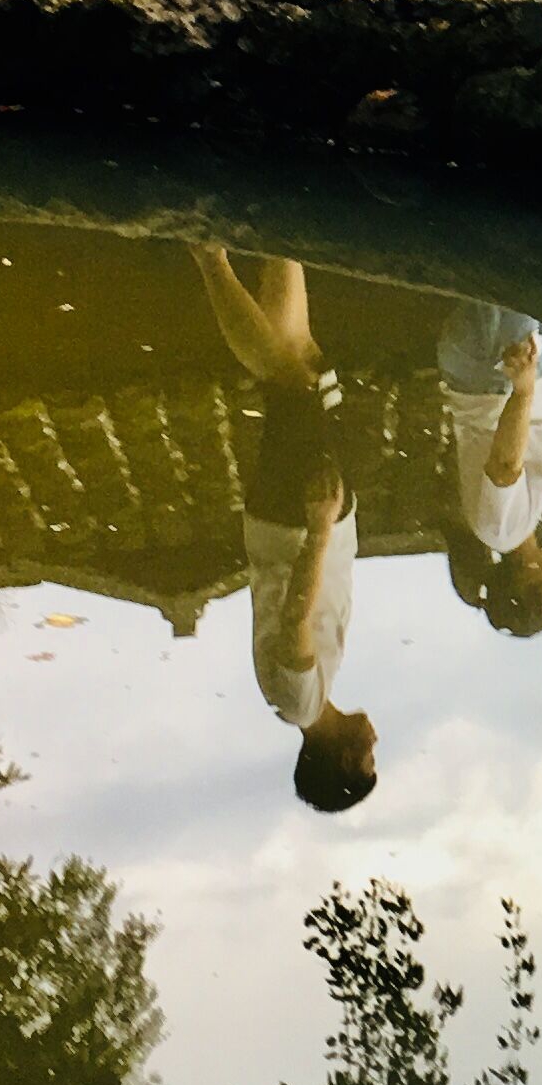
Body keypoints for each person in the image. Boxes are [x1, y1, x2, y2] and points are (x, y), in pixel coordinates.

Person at [192, 244, 374, 811]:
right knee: (307, 363)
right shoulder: (312, 696)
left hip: (297, 522)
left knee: (290, 381)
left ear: (341, 761)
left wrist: (321, 528)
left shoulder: (298, 703)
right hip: (299, 522)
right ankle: (277, 237)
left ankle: (210, 256)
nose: (374, 744)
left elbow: (297, 618)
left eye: (368, 758)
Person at [434, 295, 542, 639]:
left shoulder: (501, 531)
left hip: (494, 369)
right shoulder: (517, 525)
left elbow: (504, 466)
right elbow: (521, 445)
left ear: (529, 583)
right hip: (494, 370)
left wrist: (523, 390)